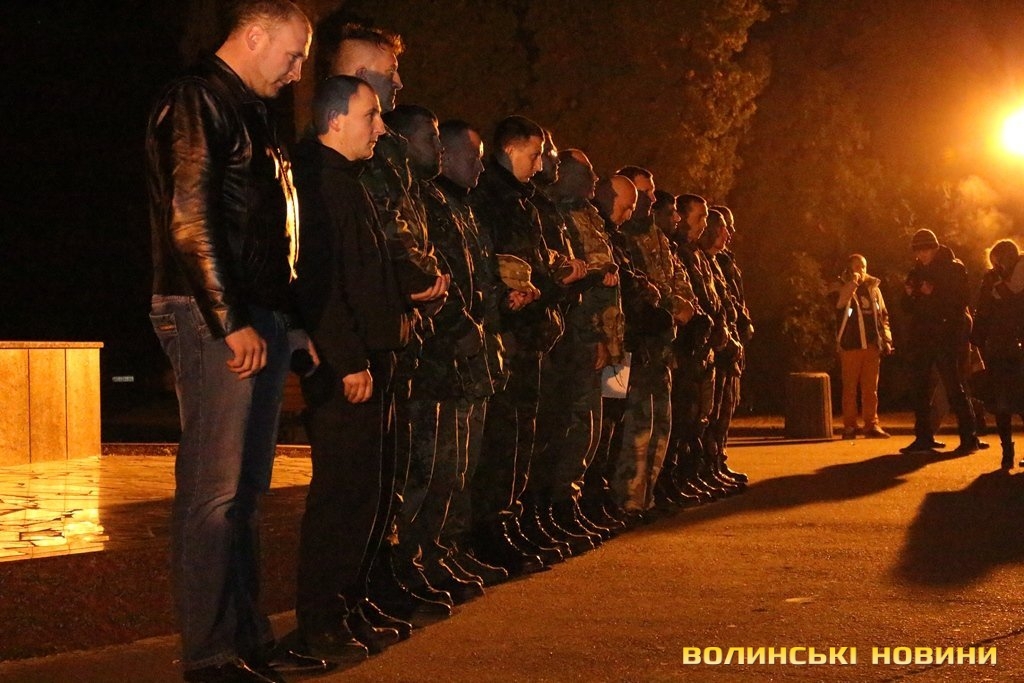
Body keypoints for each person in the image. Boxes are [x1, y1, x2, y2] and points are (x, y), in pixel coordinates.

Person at [145, 2, 323, 681]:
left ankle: (246, 638)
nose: (298, 70)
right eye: (293, 53)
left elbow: (272, 230)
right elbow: (190, 217)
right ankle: (211, 654)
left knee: (245, 492)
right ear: (254, 36)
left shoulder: (250, 110)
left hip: (256, 314)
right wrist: (229, 319)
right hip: (213, 314)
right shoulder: (198, 100)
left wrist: (288, 318)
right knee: (214, 494)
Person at [291, 75, 450, 661]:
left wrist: (405, 298)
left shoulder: (346, 180)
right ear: (335, 120)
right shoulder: (318, 181)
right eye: (370, 116)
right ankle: (320, 622)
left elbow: (363, 273)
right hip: (348, 369)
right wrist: (350, 359)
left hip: (371, 357)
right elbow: (321, 284)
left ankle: (348, 605)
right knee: (342, 496)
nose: (381, 128)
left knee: (368, 492)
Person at [900, 228, 983, 455]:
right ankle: (923, 437)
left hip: (946, 336)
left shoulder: (954, 268)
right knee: (920, 388)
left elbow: (961, 301)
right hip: (922, 336)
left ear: (935, 248)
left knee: (954, 386)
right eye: (918, 251)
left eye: (925, 250)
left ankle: (969, 438)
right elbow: (906, 307)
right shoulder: (916, 271)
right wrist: (909, 294)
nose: (921, 255)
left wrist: (933, 293)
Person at [971, 239, 1024, 469]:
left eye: (998, 261)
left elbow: (1010, 299)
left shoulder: (1017, 277)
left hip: (1014, 347)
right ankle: (1007, 452)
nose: (995, 266)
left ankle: (1008, 454)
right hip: (999, 347)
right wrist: (977, 337)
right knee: (1003, 404)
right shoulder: (992, 279)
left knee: (1017, 402)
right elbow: (983, 309)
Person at [833, 254, 893, 439]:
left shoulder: (874, 289)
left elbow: (883, 316)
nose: (861, 270)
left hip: (872, 345)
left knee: (870, 389)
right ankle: (850, 426)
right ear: (849, 268)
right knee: (850, 388)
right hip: (851, 344)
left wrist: (887, 339)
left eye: (864, 266)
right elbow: (840, 303)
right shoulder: (841, 285)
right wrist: (853, 283)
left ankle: (871, 424)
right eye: (857, 266)